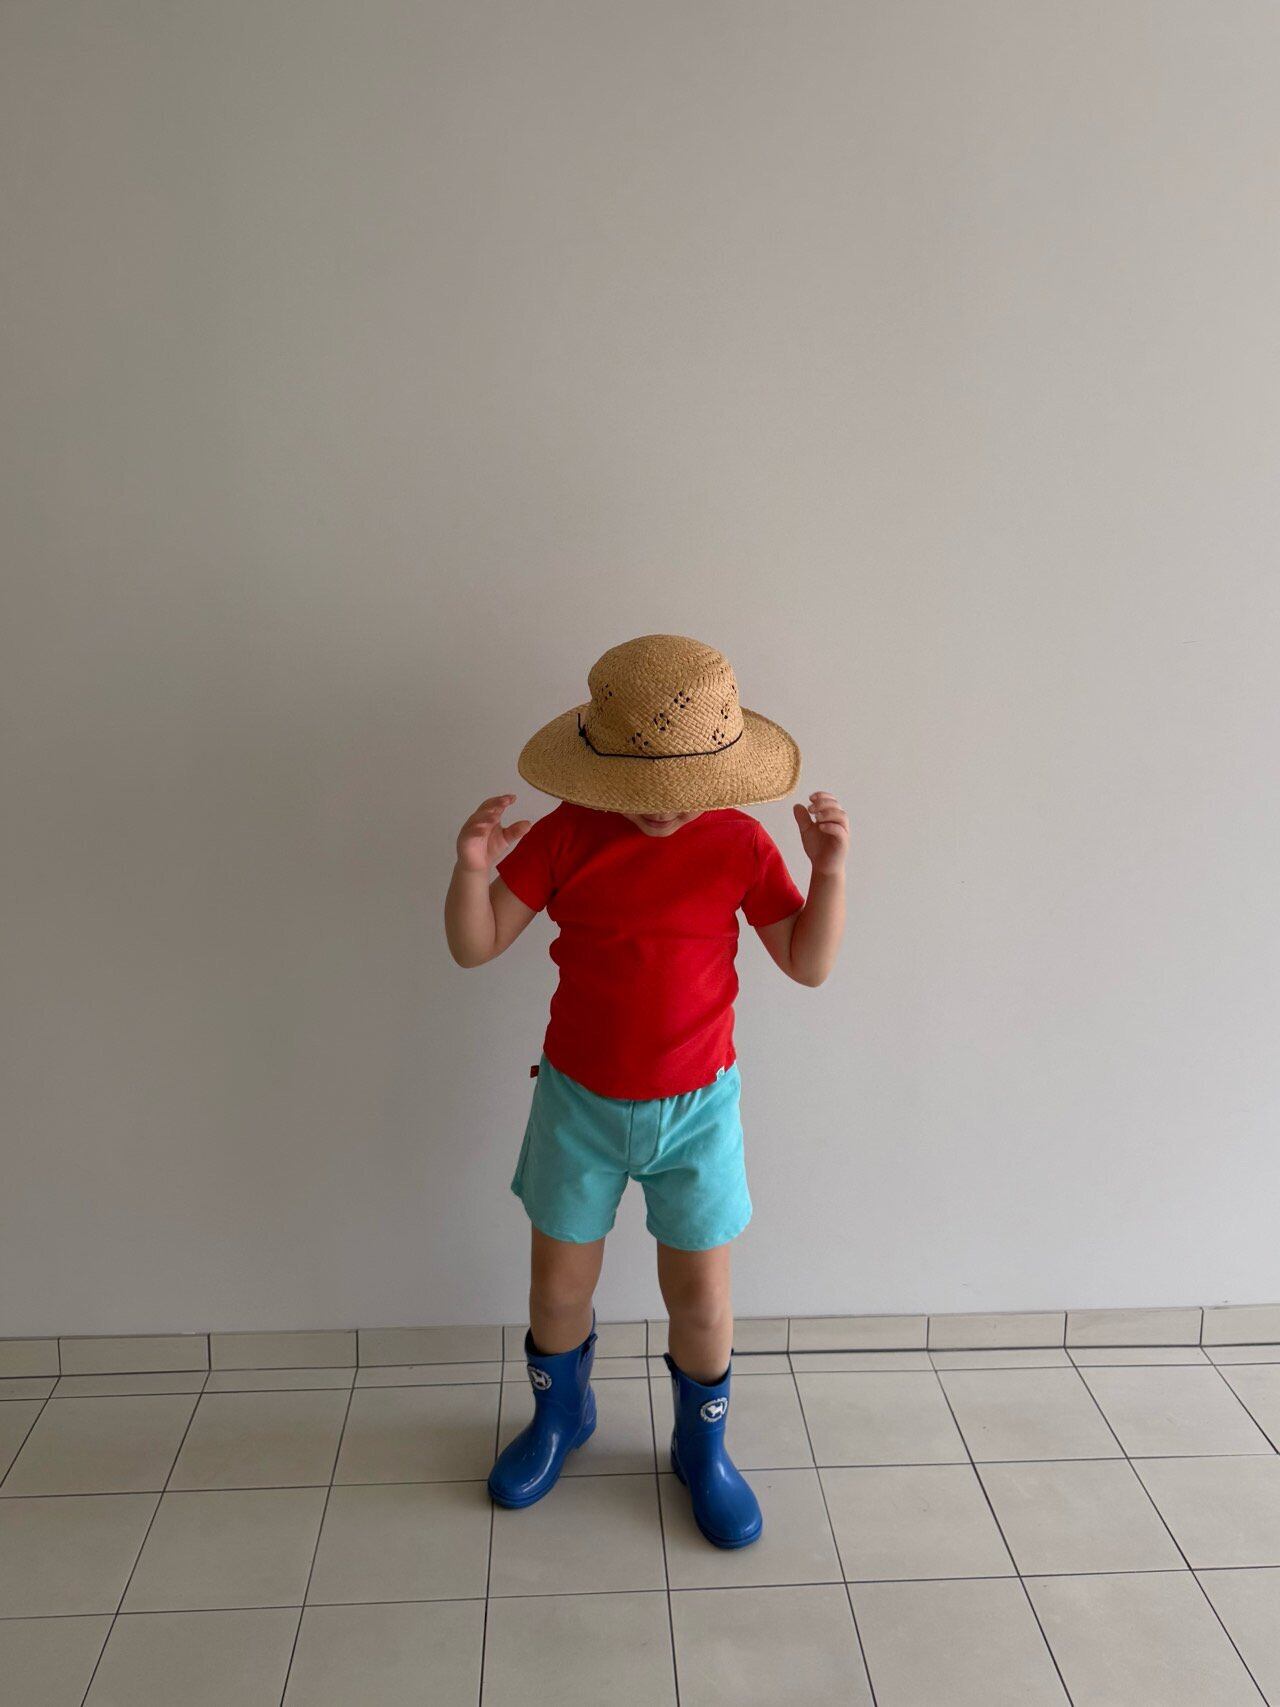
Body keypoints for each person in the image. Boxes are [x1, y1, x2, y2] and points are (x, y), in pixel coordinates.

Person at [443, 632, 848, 1547]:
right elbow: (477, 944)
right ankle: (561, 1415)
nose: (662, 810)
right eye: (641, 787)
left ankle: (702, 1448)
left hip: (697, 1112)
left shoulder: (738, 842)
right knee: (557, 1290)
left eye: (683, 788)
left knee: (700, 1298)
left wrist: (828, 871)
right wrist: (472, 871)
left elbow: (806, 962)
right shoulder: (565, 834)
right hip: (578, 1105)